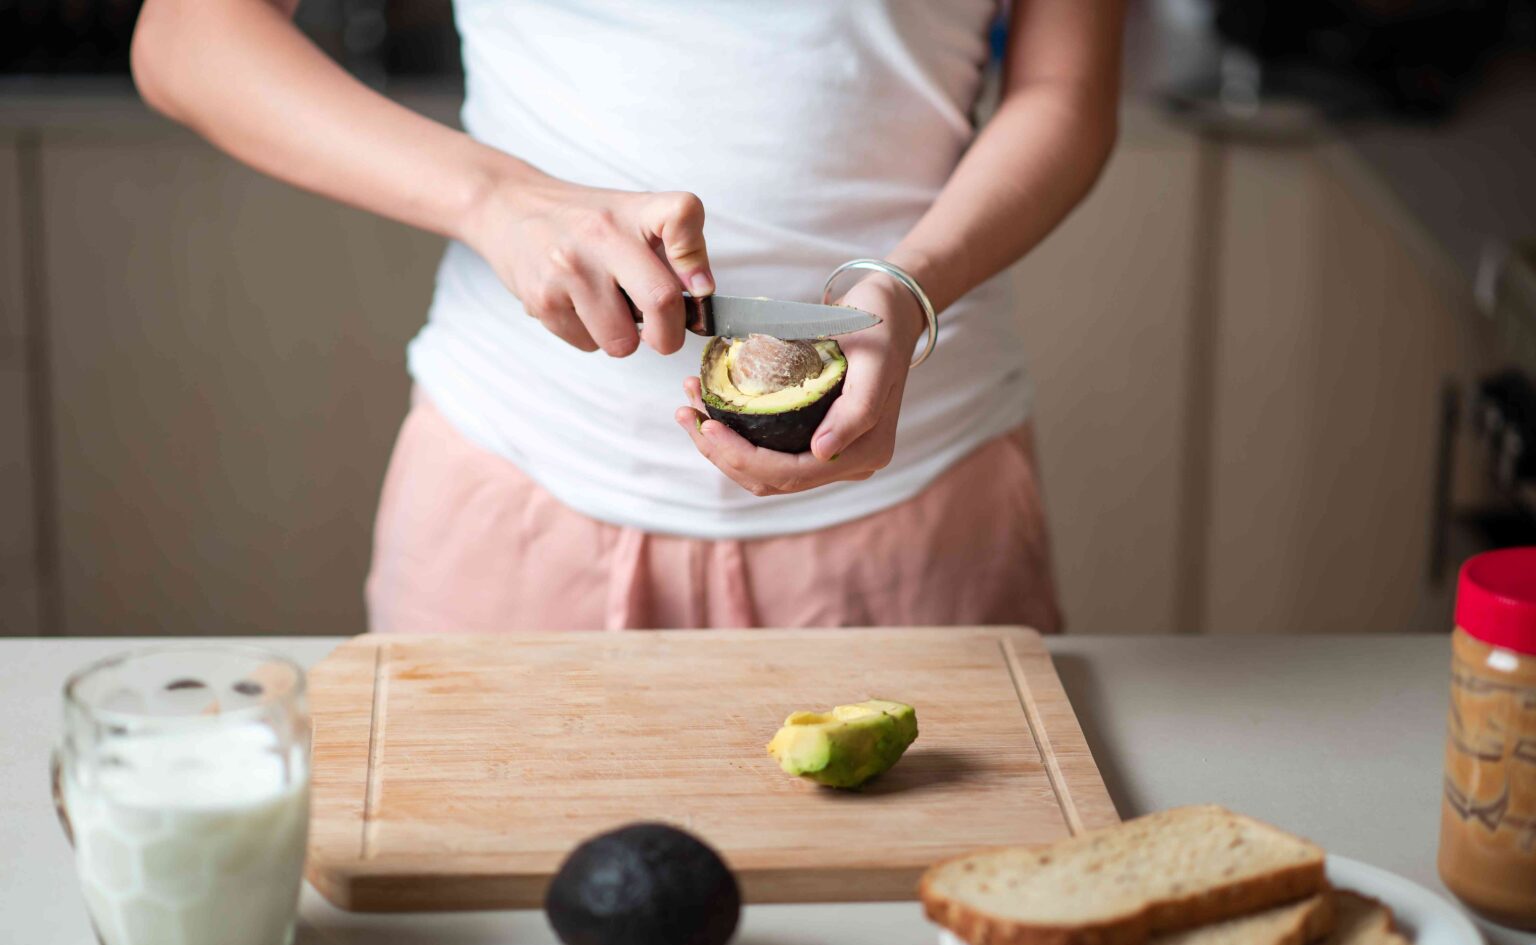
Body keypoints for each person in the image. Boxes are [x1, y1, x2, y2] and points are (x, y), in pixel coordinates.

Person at [130, 1, 1124, 631]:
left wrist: (910, 284)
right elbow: (187, 34)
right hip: (512, 491)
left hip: (918, 506)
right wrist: (496, 198)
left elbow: (1066, 90)